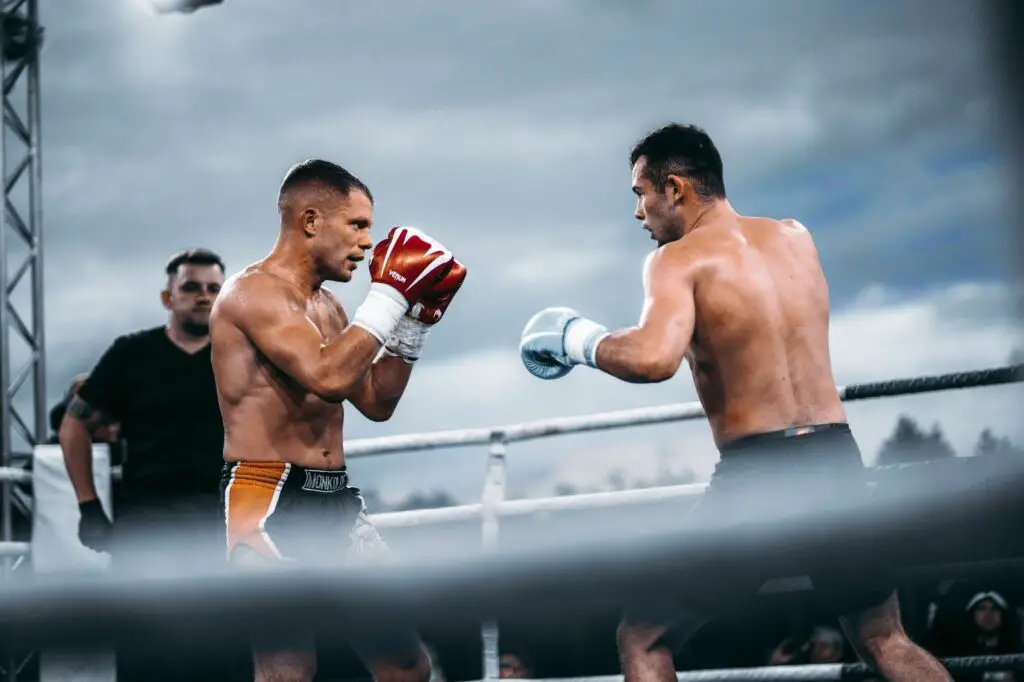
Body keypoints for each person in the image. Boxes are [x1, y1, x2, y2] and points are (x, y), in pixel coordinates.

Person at [518, 123, 953, 682]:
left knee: (644, 638)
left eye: (640, 194)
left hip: (761, 476)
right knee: (884, 637)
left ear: (674, 188)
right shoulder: (797, 235)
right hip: (835, 459)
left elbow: (654, 358)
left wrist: (576, 340)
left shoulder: (677, 259)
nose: (638, 213)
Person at [209, 158, 466, 682]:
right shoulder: (253, 293)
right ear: (310, 221)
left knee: (405, 662)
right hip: (267, 495)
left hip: (336, 499)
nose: (368, 242)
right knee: (287, 665)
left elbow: (374, 400)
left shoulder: (328, 308)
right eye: (357, 225)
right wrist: (391, 294)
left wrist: (413, 323)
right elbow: (326, 377)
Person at [59, 247, 231, 681]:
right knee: (147, 659)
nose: (203, 296)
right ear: (167, 297)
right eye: (191, 287)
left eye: (214, 288)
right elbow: (73, 425)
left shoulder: (240, 356)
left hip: (224, 526)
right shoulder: (132, 353)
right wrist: (88, 507)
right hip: (147, 528)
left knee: (223, 657)